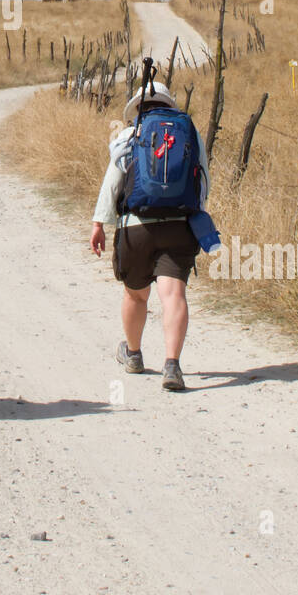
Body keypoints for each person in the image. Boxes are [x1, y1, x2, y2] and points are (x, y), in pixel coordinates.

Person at [90, 78, 210, 392]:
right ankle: (172, 365)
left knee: (135, 294)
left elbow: (113, 182)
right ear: (168, 106)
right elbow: (203, 181)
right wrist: (195, 217)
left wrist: (99, 223)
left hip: (136, 227)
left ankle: (133, 354)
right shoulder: (189, 132)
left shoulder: (130, 133)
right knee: (174, 296)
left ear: (138, 108)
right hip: (180, 225)